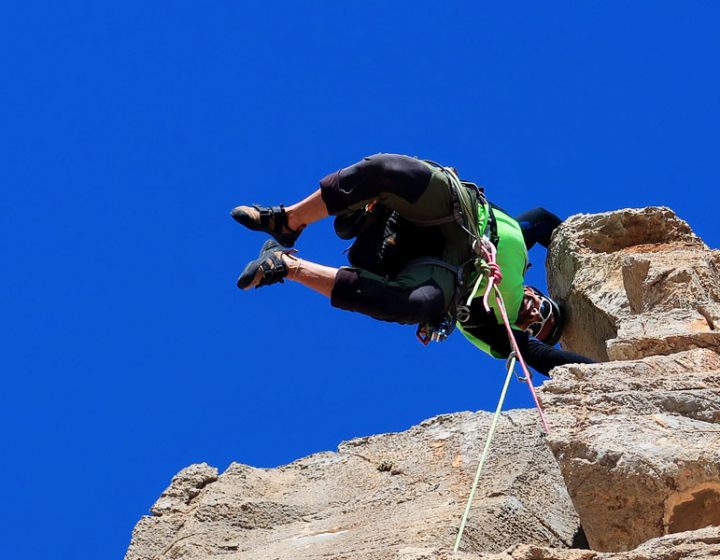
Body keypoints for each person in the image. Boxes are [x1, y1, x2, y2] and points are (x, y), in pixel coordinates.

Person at [231, 153, 594, 375]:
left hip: (444, 266)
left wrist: (611, 375)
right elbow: (550, 223)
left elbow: (539, 357)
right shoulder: (522, 242)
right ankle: (288, 220)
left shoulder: (488, 325)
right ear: (538, 292)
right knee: (391, 169)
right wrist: (589, 265)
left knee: (416, 305)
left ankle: (286, 266)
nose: (536, 316)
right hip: (458, 214)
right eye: (546, 312)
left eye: (538, 327)